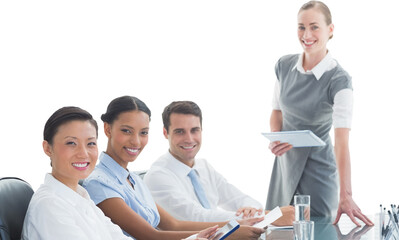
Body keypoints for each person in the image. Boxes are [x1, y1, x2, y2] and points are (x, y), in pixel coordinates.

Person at [83, 96, 265, 240]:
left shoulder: (135, 180)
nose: (136, 141)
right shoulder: (99, 183)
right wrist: (226, 234)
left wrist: (236, 225)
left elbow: (174, 225)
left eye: (143, 132)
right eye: (126, 131)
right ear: (107, 129)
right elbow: (149, 235)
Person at [265, 1, 373, 226]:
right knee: (276, 230)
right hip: (284, 167)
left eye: (314, 27)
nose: (306, 34)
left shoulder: (339, 80)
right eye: (301, 27)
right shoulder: (284, 66)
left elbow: (341, 143)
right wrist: (277, 137)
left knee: (318, 230)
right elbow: (276, 111)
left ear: (330, 30)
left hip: (318, 170)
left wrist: (346, 195)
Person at [144, 100, 294, 226]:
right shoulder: (158, 176)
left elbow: (241, 199)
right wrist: (271, 216)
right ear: (165, 133)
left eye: (194, 130)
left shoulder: (203, 167)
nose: (189, 139)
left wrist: (252, 211)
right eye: (180, 131)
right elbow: (198, 217)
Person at [21, 106, 131, 239]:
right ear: (47, 148)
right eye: (71, 143)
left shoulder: (80, 195)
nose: (83, 154)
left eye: (90, 143)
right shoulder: (49, 206)